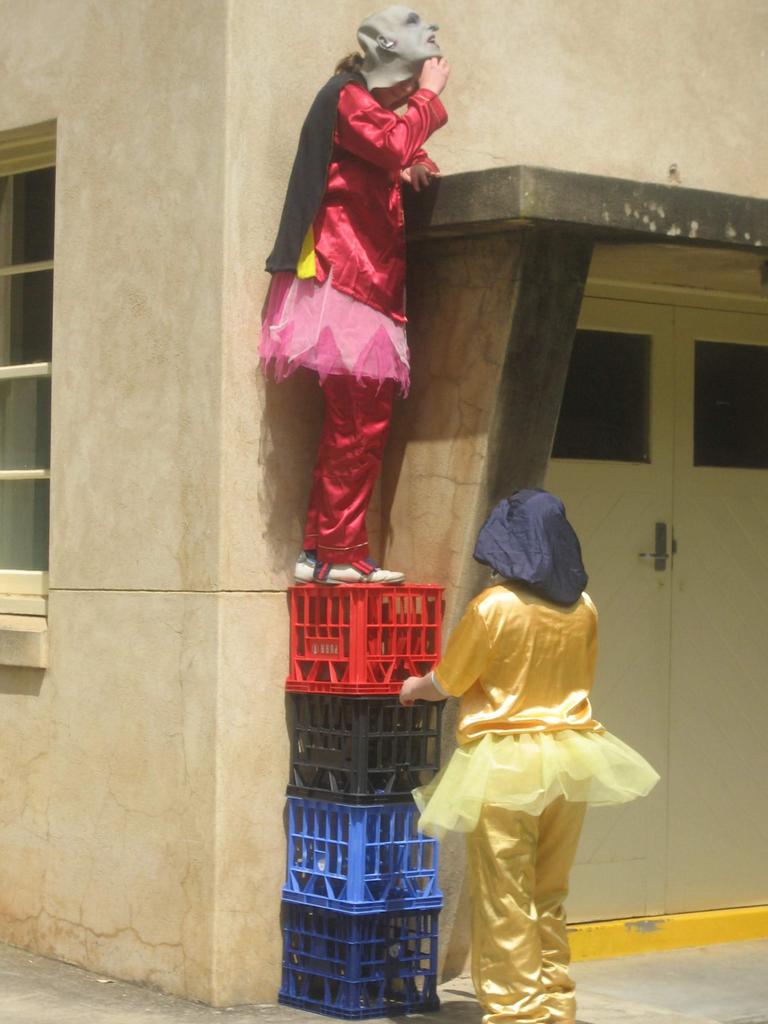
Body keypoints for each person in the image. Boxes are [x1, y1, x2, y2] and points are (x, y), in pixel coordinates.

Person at [399, 490, 660, 1024]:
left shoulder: (493, 607)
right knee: (550, 890)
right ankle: (556, 1003)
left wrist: (410, 687)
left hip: (504, 765)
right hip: (570, 756)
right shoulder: (584, 607)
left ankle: (519, 1013)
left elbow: (448, 681)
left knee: (505, 896)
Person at [261, 7, 450, 585]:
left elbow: (387, 147)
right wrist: (430, 101)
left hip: (361, 279)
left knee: (355, 421)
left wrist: (412, 156)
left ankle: (326, 549)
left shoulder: (358, 103)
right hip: (349, 281)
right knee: (360, 422)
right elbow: (387, 142)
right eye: (419, 28)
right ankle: (334, 551)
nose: (434, 37)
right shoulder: (346, 96)